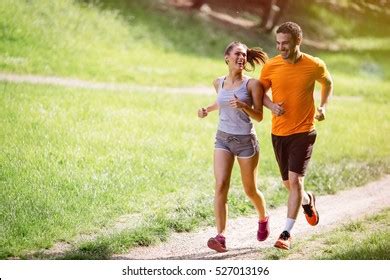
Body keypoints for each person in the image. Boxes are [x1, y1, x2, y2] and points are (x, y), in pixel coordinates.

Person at [260, 22, 333, 250]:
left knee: (295, 181)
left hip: (304, 131)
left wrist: (323, 107)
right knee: (288, 184)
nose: (281, 47)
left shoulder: (313, 65)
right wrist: (271, 106)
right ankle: (307, 201)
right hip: (279, 132)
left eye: (286, 43)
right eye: (278, 43)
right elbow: (260, 93)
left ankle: (286, 234)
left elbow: (327, 83)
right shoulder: (271, 66)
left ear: (297, 42)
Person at [198, 41, 270, 252]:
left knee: (250, 190)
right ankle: (221, 236)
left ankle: (263, 217)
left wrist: (244, 106)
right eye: (238, 54)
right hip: (223, 139)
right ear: (227, 57)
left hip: (246, 142)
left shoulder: (252, 85)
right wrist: (207, 110)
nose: (242, 58)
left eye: (245, 55)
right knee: (220, 185)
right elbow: (222, 102)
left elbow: (259, 116)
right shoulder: (218, 82)